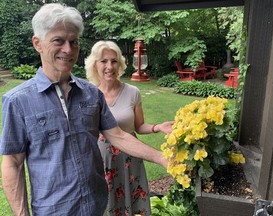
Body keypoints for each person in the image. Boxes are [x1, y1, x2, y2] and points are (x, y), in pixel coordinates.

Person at [0, 3, 168, 216]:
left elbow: (119, 136)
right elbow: (12, 164)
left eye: (74, 42)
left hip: (97, 206)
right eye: (58, 41)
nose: (68, 50)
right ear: (37, 43)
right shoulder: (18, 101)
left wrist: (162, 158)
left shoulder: (91, 93)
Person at [85, 40, 173, 216]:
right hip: (102, 159)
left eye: (114, 61)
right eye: (104, 61)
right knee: (105, 203)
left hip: (131, 158)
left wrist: (158, 127)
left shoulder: (133, 92)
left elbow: (139, 126)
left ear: (120, 64)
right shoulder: (88, 93)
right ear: (95, 64)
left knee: (132, 203)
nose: (109, 66)